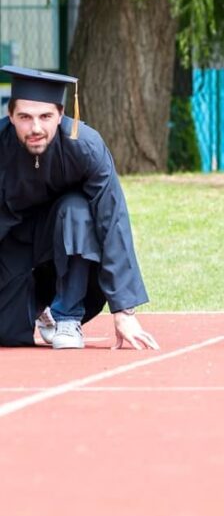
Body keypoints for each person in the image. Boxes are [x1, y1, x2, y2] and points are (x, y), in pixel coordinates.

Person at [0, 65, 157, 350]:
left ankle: (66, 315)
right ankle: (37, 309)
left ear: (61, 114)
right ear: (10, 116)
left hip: (71, 243)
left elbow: (112, 219)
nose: (36, 128)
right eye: (25, 117)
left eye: (45, 116)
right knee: (7, 335)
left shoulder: (85, 146)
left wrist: (124, 311)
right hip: (12, 242)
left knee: (77, 210)